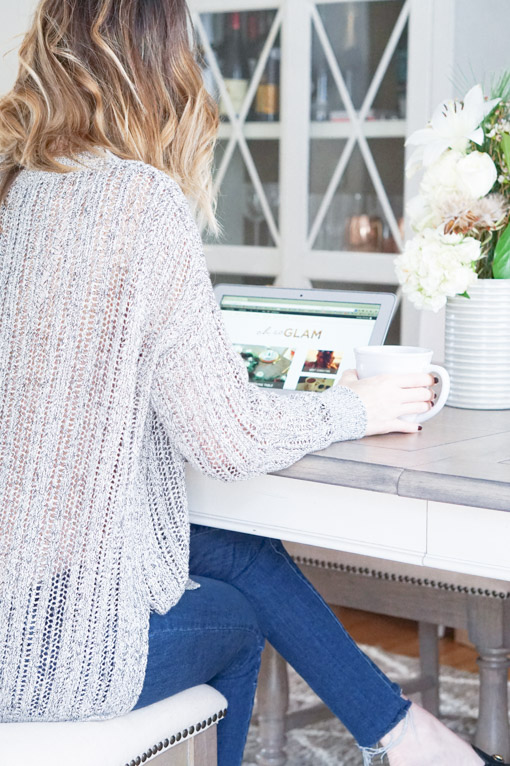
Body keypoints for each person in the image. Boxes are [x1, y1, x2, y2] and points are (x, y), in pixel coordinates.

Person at [0, 2, 502, 765]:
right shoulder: (137, 200)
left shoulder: (17, 192)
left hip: (29, 582)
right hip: (44, 659)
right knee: (236, 621)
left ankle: (405, 735)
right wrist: (355, 407)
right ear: (158, 65)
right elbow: (228, 441)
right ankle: (405, 736)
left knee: (233, 548)